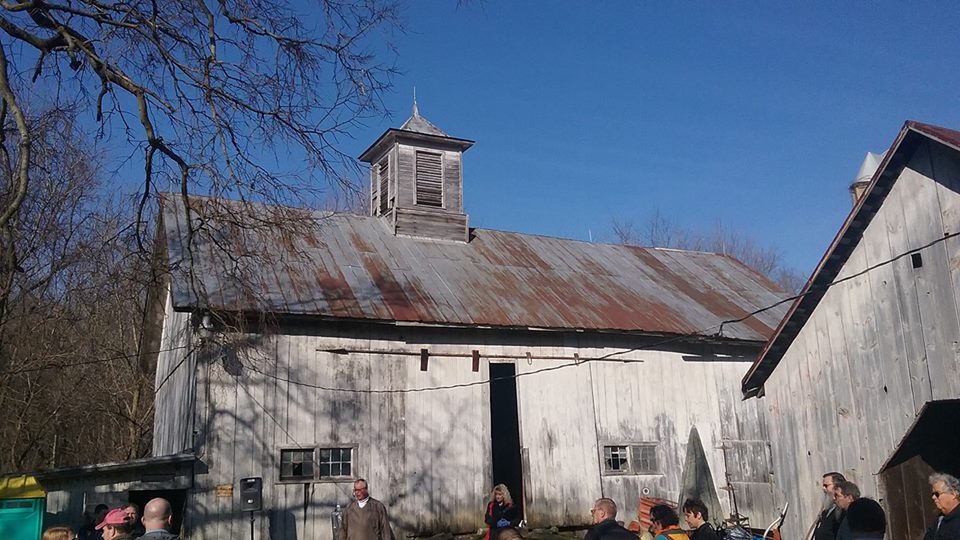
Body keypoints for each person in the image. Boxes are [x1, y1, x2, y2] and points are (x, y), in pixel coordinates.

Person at [925, 472, 960, 540]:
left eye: (937, 494)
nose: (933, 497)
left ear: (953, 494)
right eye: (933, 494)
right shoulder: (939, 520)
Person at [812, 472, 846, 540]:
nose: (823, 489)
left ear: (837, 487)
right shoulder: (827, 511)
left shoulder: (844, 510)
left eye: (826, 486)